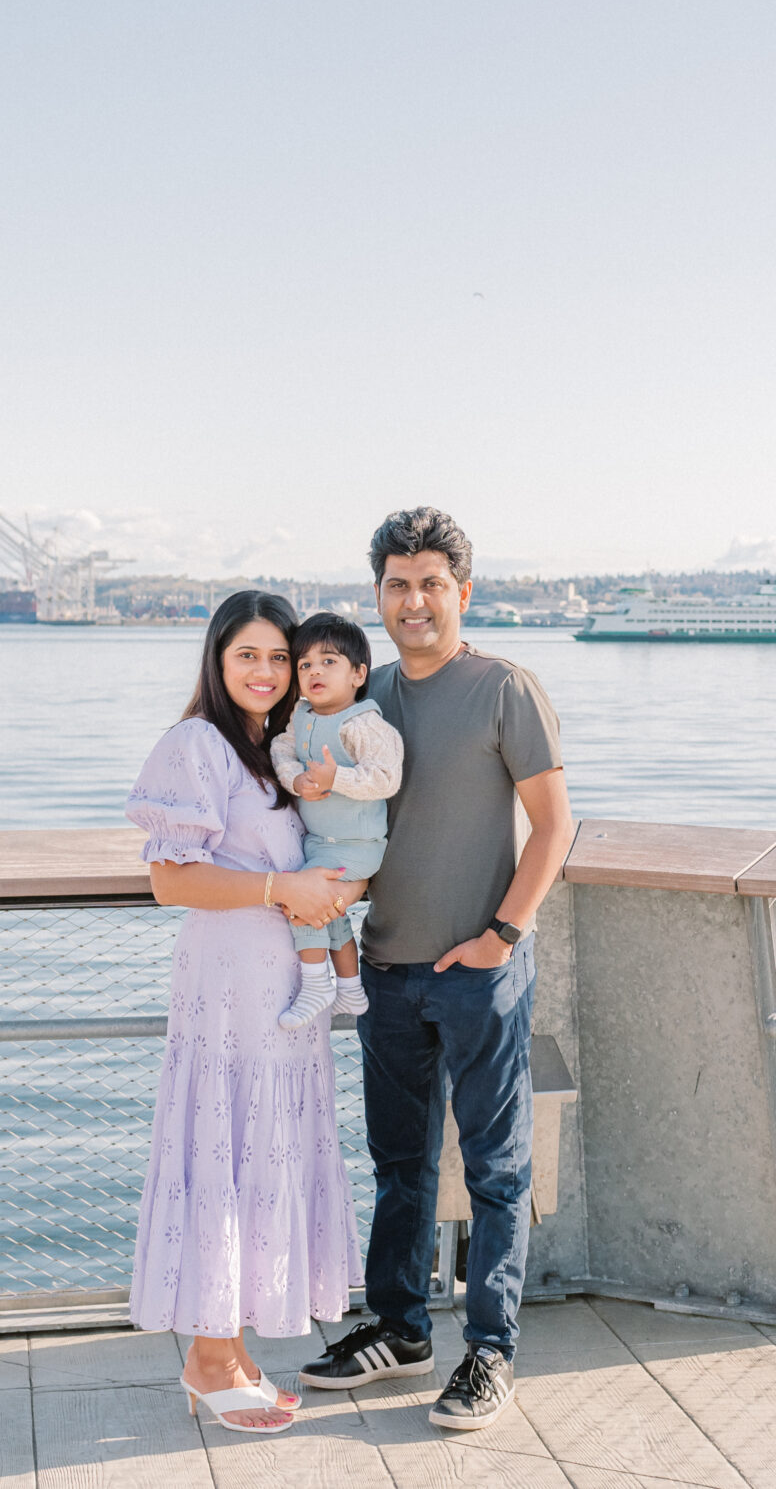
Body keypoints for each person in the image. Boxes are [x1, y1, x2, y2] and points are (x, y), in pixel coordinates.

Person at [299, 506, 574, 1432]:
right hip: (384, 966)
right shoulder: (360, 694)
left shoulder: (505, 688)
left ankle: (489, 1354)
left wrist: (502, 932)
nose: (413, 601)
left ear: (463, 591)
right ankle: (401, 1330)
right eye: (396, 584)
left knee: (497, 1170)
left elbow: (555, 825)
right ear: (377, 594)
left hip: (478, 968)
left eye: (429, 584)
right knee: (399, 1166)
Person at [123, 590, 364, 1438]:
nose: (264, 672)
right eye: (246, 656)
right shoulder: (198, 743)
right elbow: (171, 879)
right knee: (223, 1144)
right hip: (230, 981)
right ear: (218, 663)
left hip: (281, 986)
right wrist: (279, 888)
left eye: (277, 657)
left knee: (263, 1147)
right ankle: (209, 1356)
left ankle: (226, 1344)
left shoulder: (277, 747)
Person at [267, 611, 403, 1029]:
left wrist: (337, 777)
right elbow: (281, 750)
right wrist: (297, 780)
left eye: (329, 662)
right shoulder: (301, 716)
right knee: (333, 915)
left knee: (306, 908)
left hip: (357, 847)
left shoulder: (362, 724)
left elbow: (386, 777)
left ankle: (315, 985)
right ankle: (349, 989)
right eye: (305, 664)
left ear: (358, 673)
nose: (314, 672)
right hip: (319, 844)